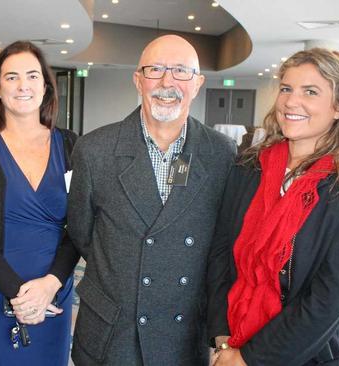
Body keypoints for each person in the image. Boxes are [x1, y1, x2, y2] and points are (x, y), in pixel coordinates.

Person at [209, 48, 339, 366]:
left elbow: (328, 298)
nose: (291, 102)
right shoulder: (250, 166)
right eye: (287, 88)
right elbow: (221, 254)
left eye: (311, 91)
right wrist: (222, 337)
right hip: (230, 343)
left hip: (303, 357)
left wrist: (250, 358)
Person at [67, 34, 236, 365]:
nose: (167, 82)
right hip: (112, 331)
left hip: (182, 332)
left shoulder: (222, 154)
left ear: (198, 83)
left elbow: (221, 247)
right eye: (155, 69)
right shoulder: (93, 150)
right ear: (138, 80)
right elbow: (83, 234)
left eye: (180, 71)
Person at [0, 41, 78, 365]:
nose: (23, 86)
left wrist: (50, 285)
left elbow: (81, 226)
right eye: (12, 77)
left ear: (46, 86)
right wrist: (19, 293)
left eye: (33, 76)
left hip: (52, 294)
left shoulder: (72, 145)